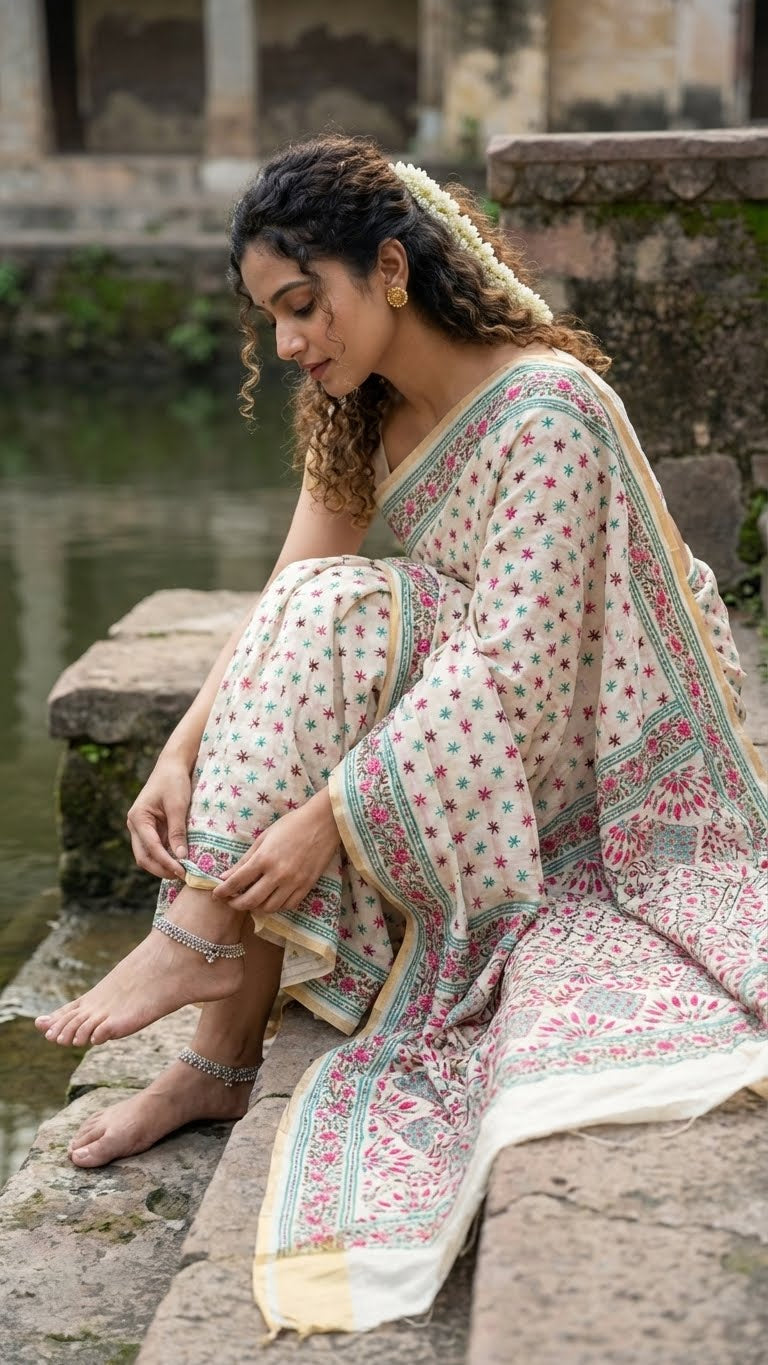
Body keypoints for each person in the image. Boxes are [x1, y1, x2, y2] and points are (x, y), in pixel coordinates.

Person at [35, 135, 767, 1337]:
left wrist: (331, 818)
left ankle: (204, 952)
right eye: (271, 319)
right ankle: (217, 1042)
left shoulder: (547, 406)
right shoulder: (362, 413)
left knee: (348, 614)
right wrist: (180, 749)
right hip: (490, 691)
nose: (288, 343)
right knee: (322, 607)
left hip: (600, 722)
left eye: (302, 304)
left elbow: (519, 668)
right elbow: (288, 598)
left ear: (388, 269)